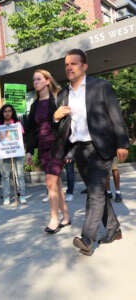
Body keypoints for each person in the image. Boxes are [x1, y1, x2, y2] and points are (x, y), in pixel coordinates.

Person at [53, 49, 129, 256]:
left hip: (100, 147)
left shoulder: (101, 86)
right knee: (98, 193)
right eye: (66, 64)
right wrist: (56, 117)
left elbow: (116, 115)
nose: (69, 67)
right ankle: (113, 229)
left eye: (74, 63)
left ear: (84, 66)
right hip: (79, 149)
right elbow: (59, 129)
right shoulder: (62, 95)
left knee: (95, 192)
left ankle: (87, 238)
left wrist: (123, 143)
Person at [25, 69, 70, 234]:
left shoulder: (57, 99)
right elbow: (30, 130)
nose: (35, 82)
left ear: (47, 81)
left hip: (57, 146)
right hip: (43, 147)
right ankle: (65, 216)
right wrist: (29, 151)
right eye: (34, 80)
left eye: (38, 79)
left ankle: (54, 219)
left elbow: (66, 123)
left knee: (50, 183)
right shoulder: (34, 105)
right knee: (56, 184)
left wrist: (69, 149)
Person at [0, 104, 26, 205]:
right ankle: (6, 197)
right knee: (5, 176)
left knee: (20, 175)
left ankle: (22, 195)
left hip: (17, 152)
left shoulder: (17, 123)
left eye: (9, 111)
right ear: (2, 113)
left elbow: (22, 137)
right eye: (5, 111)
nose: (7, 113)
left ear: (12, 112)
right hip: (5, 153)